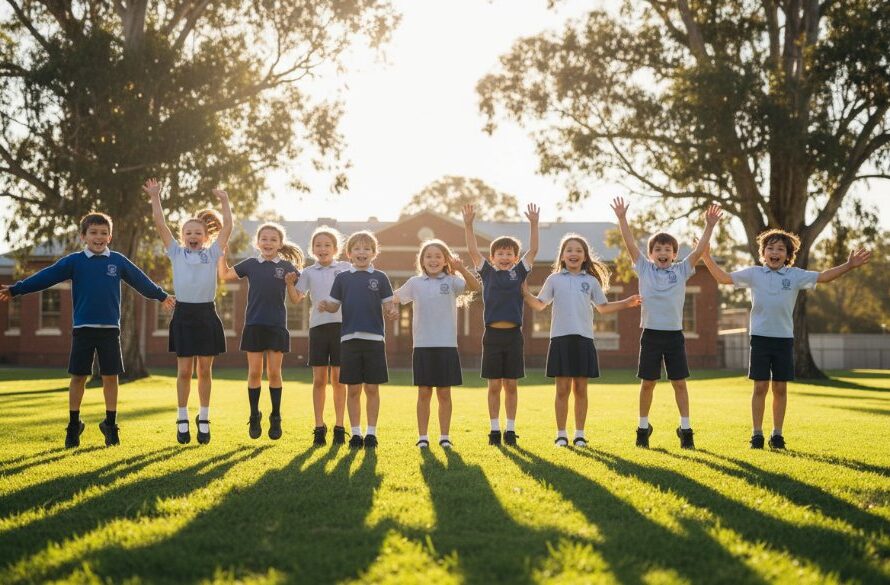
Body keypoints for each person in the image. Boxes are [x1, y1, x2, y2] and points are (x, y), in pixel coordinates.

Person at [0, 212, 175, 448]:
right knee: (79, 377)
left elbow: (140, 280)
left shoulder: (118, 261)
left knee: (110, 377)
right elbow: (46, 277)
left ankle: (110, 425)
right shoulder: (74, 261)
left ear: (110, 237)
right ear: (83, 236)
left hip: (110, 330)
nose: (98, 237)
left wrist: (161, 295)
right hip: (83, 329)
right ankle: (73, 426)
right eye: (93, 232)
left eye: (103, 233)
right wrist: (16, 289)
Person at [701, 229, 870, 449]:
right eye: (770, 248)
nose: (775, 252)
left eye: (780, 249)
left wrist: (848, 265)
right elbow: (723, 279)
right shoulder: (754, 274)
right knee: (760, 387)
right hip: (760, 339)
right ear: (763, 253)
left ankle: (777, 435)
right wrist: (705, 257)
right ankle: (757, 434)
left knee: (780, 388)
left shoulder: (795, 275)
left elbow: (824, 276)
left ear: (788, 255)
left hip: (783, 340)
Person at [611, 197, 722, 449]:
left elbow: (698, 251)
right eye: (658, 249)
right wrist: (622, 219)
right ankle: (642, 428)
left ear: (674, 254)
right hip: (650, 335)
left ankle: (685, 429)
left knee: (679, 383)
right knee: (647, 383)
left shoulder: (682, 270)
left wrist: (710, 226)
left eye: (668, 250)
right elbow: (629, 244)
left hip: (674, 336)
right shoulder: (644, 268)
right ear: (650, 254)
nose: (663, 253)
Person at [522, 234, 640, 447]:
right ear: (563, 256)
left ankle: (579, 435)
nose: (574, 253)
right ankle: (560, 435)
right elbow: (540, 304)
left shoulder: (591, 281)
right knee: (562, 390)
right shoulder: (554, 279)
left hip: (584, 340)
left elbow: (603, 308)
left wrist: (626, 302)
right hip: (560, 340)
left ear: (585, 256)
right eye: (569, 250)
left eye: (578, 250)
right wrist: (523, 292)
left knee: (581, 389)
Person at [144, 178, 233, 445]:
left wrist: (225, 202)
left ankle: (203, 418)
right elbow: (160, 224)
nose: (193, 237)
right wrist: (155, 196)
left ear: (206, 237)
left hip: (206, 315)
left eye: (198, 233)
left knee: (204, 371)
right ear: (183, 237)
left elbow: (227, 226)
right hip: (183, 315)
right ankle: (182, 418)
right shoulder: (176, 252)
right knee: (184, 372)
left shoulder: (213, 252)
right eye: (188, 233)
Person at [463, 202, 539, 446]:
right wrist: (468, 224)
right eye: (500, 254)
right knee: (494, 385)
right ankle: (494, 430)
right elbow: (473, 251)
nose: (505, 257)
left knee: (512, 385)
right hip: (493, 336)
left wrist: (534, 224)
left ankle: (510, 430)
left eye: (509, 254)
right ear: (493, 258)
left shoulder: (520, 273)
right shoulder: (487, 272)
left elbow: (534, 250)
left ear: (515, 257)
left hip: (514, 336)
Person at [393, 239, 480, 449]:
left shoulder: (451, 281)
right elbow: (394, 298)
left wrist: (460, 269)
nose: (433, 260)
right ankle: (423, 437)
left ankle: (444, 436)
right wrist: (390, 307)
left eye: (438, 256)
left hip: (446, 346)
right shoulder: (415, 283)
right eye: (428, 256)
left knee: (444, 393)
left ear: (445, 260)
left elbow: (475, 287)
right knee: (424, 393)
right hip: (422, 346)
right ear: (422, 260)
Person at [218, 223, 302, 440]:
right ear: (257, 242)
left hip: (276, 326)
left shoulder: (287, 267)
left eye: (273, 239)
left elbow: (295, 299)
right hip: (254, 325)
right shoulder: (251, 264)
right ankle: (254, 415)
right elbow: (225, 275)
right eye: (264, 238)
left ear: (280, 244)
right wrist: (222, 254)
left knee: (274, 373)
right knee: (255, 373)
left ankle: (276, 416)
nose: (268, 243)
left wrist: (291, 284)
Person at [318, 230, 397, 449]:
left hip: (374, 340)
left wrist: (391, 312)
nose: (362, 252)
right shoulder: (342, 278)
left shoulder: (380, 278)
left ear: (374, 253)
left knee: (372, 389)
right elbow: (334, 305)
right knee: (353, 390)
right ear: (349, 253)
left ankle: (371, 433)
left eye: (367, 249)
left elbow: (388, 306)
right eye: (357, 249)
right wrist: (326, 305)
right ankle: (355, 433)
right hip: (349, 340)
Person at [293, 226, 351, 445]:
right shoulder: (308, 272)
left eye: (327, 245)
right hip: (318, 329)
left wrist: (336, 304)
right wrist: (290, 284)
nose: (322, 248)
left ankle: (339, 426)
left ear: (335, 249)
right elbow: (297, 297)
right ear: (312, 249)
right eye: (318, 245)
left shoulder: (346, 268)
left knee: (338, 380)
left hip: (341, 328)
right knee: (319, 380)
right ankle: (319, 426)